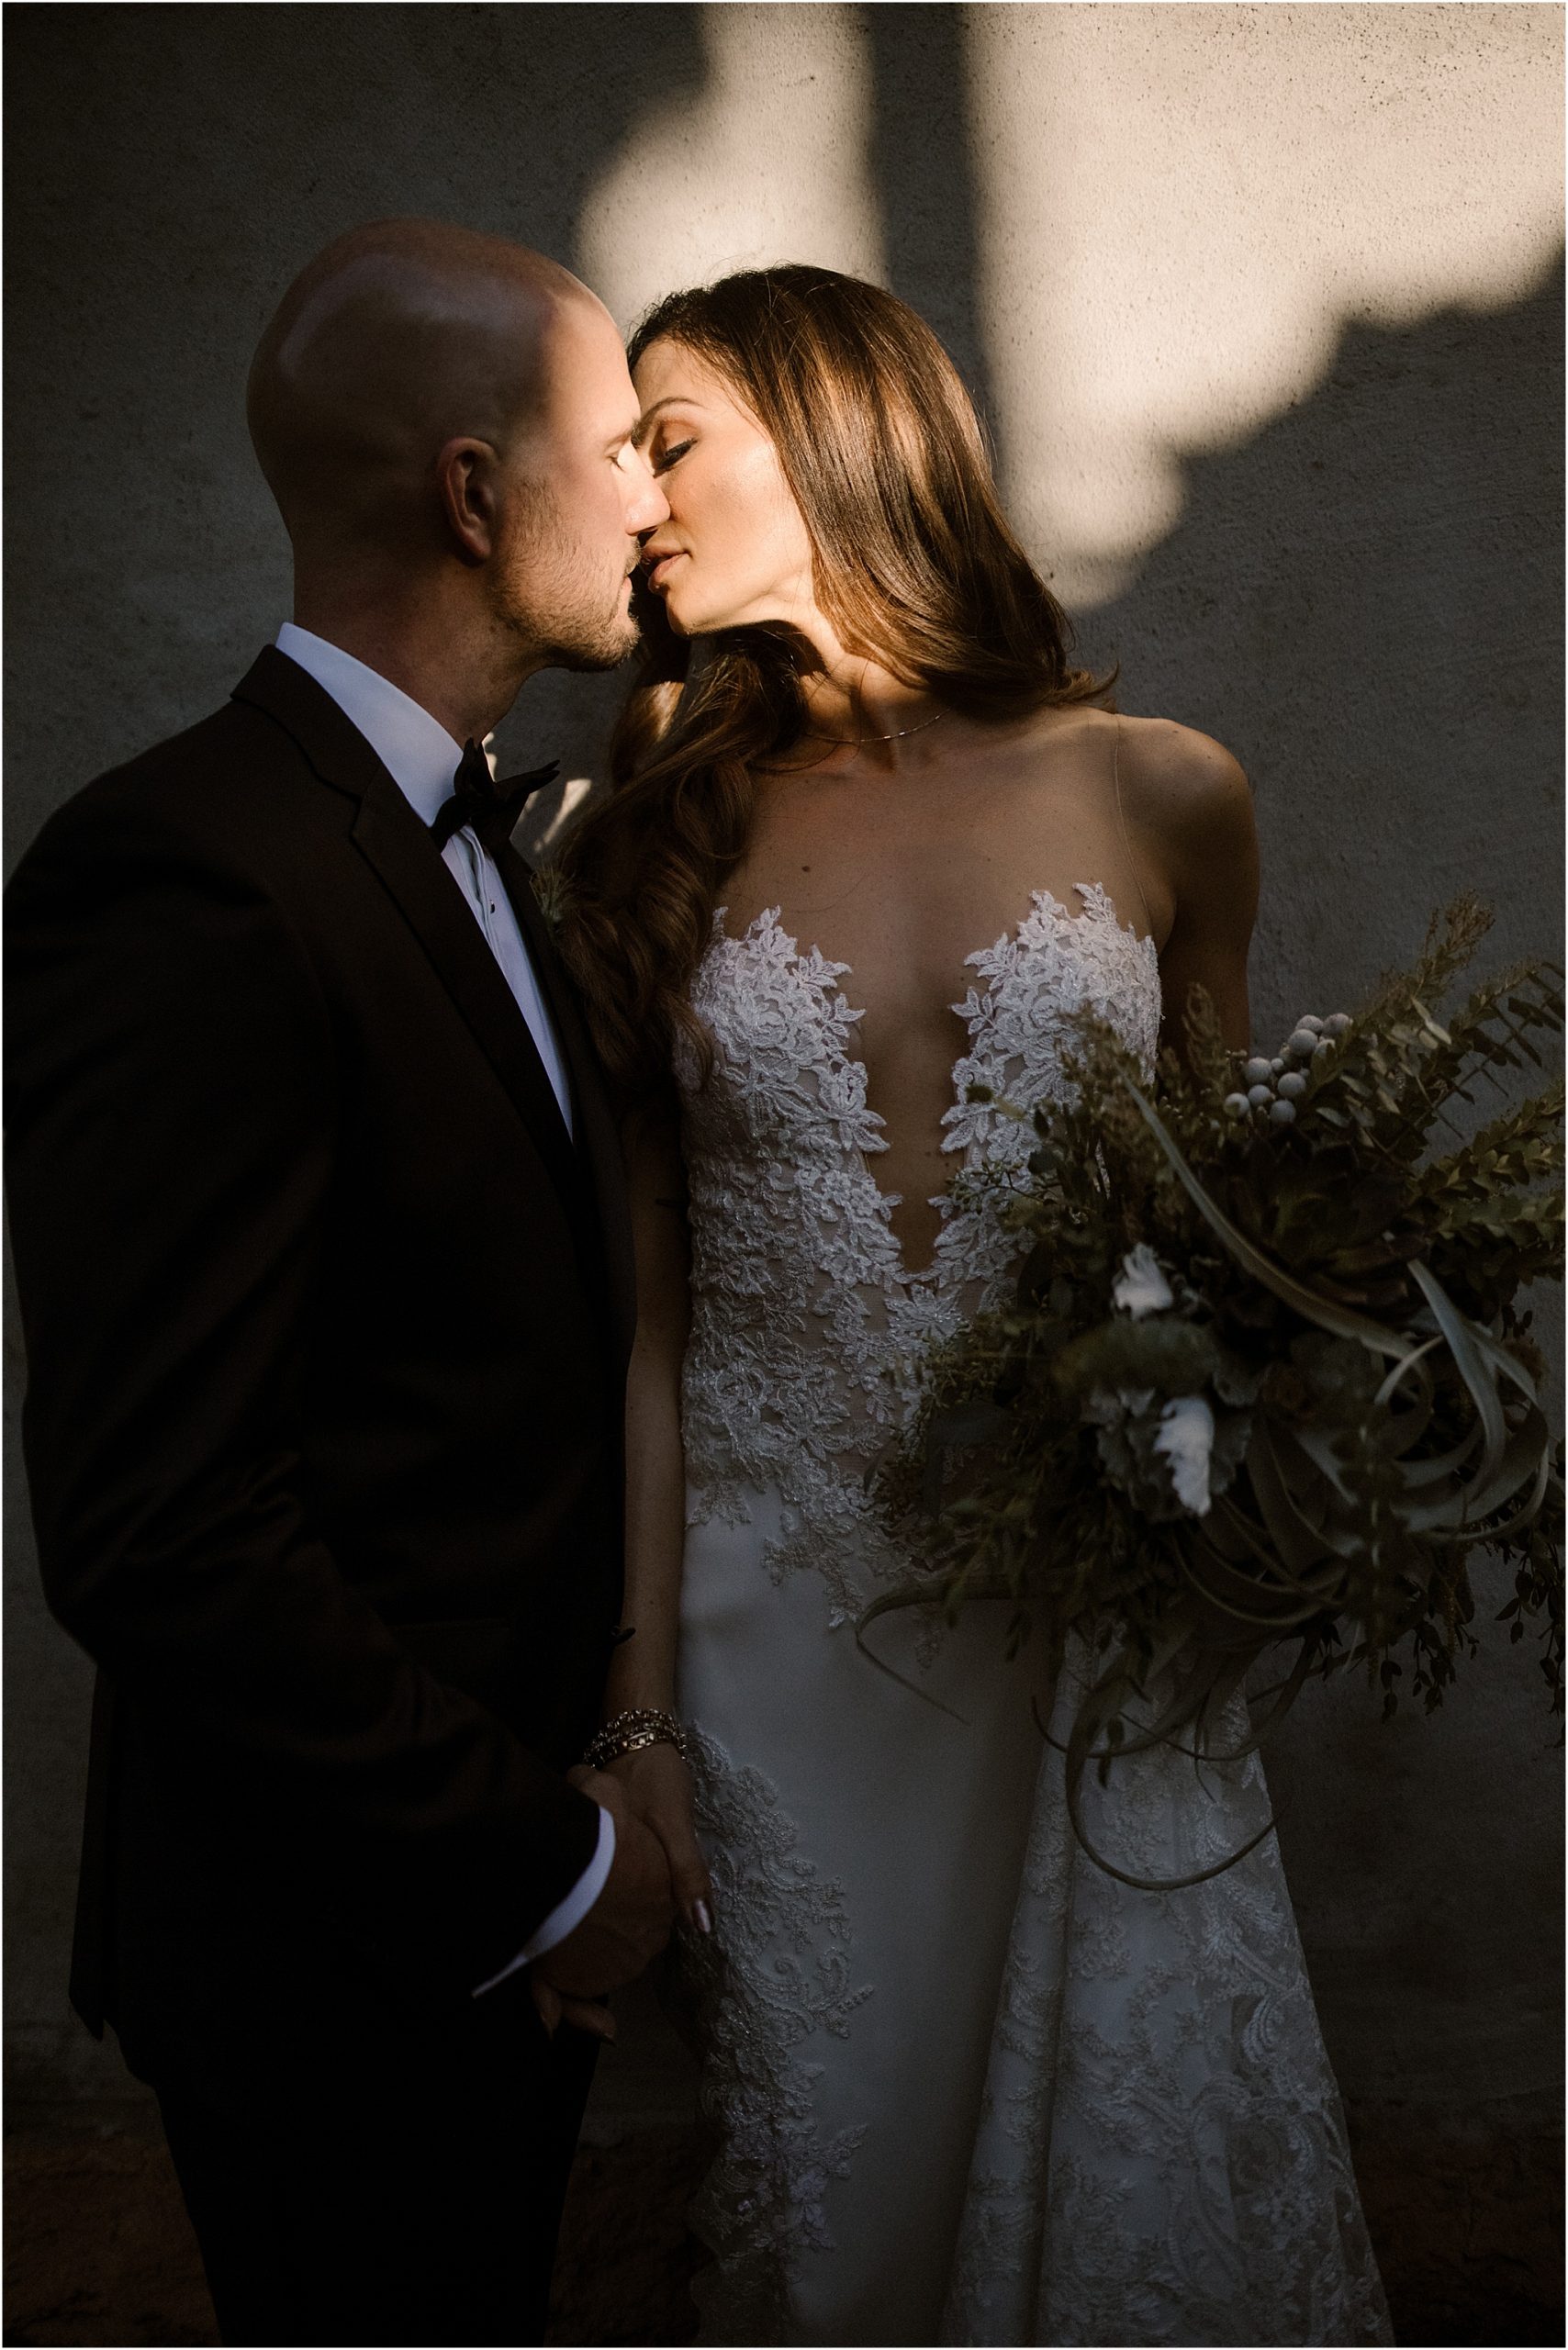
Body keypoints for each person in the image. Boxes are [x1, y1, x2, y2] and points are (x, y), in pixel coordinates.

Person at [557, 266, 1394, 2347]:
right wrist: (639, 1714)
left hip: (1085, 1625)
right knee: (836, 2197)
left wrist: (1237, 1475)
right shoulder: (654, 835)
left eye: (670, 440)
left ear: (839, 431)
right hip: (772, 1634)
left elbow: (1230, 1243)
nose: (635, 499)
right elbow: (642, 1328)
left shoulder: (1158, 790)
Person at [5, 218, 681, 2348]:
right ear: (472, 495)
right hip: (343, 1935)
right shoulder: (192, 867)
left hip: (496, 1901)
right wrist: (546, 1866)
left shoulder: (487, 838)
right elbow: (160, 1523)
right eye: (614, 447)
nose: (657, 499)